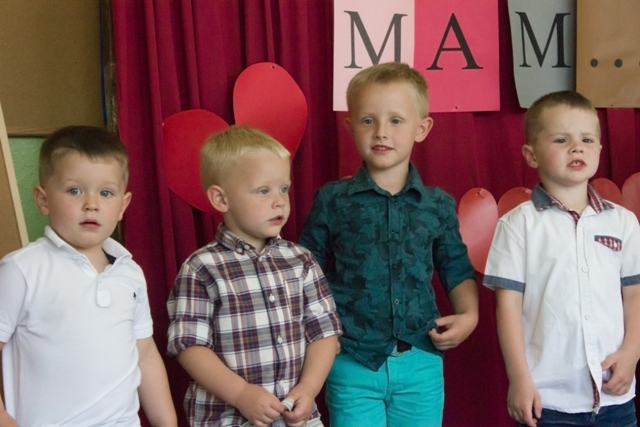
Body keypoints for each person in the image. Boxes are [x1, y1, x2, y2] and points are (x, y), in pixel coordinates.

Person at [299, 62, 479, 427]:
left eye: (396, 120)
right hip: (350, 358)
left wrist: (469, 316)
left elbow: (454, 264)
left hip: (420, 358)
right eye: (368, 120)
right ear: (350, 126)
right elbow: (305, 270)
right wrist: (319, 335)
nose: (381, 131)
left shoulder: (437, 204)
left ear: (421, 128)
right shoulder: (332, 200)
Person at [0, 125, 177, 426]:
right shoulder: (21, 270)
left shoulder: (130, 272)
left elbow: (145, 355)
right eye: (74, 190)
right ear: (43, 200)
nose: (91, 204)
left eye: (106, 193)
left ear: (122, 206)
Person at [166, 125, 342, 427]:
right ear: (221, 199)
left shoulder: (301, 261)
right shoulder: (202, 267)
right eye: (263, 191)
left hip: (296, 418)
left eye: (283, 189)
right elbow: (189, 346)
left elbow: (325, 333)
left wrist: (309, 388)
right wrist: (240, 394)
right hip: (227, 420)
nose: (279, 201)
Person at [484, 90, 640, 427]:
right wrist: (519, 379)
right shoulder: (516, 225)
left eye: (587, 139)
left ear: (599, 149)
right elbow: (508, 307)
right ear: (531, 155)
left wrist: (632, 352)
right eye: (561, 139)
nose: (576, 148)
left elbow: (634, 295)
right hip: (549, 399)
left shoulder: (624, 222)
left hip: (615, 396)